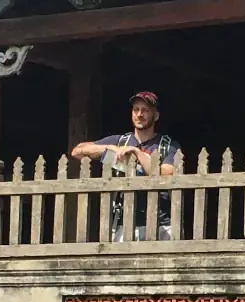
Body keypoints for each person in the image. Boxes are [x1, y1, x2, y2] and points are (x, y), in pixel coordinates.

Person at [71, 91, 181, 240]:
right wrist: (111, 149)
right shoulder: (120, 141)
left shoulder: (167, 145)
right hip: (123, 223)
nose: (140, 114)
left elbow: (166, 174)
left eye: (145, 110)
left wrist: (136, 152)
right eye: (136, 109)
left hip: (161, 224)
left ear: (156, 116)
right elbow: (77, 151)